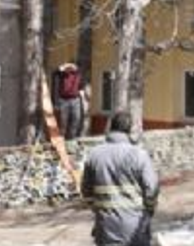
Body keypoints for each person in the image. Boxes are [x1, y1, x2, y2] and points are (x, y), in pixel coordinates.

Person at [80, 112, 159, 246]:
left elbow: (86, 192)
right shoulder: (139, 155)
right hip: (135, 227)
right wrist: (149, 210)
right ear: (129, 130)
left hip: (105, 228)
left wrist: (99, 210)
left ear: (111, 127)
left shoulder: (94, 155)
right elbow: (151, 188)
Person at [53, 62, 85, 140]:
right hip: (64, 100)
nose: (70, 69)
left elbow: (81, 86)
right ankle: (62, 140)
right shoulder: (62, 74)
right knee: (63, 122)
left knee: (76, 119)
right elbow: (55, 72)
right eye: (68, 68)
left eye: (72, 67)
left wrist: (83, 98)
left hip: (75, 100)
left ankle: (71, 139)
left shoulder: (78, 74)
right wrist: (64, 66)